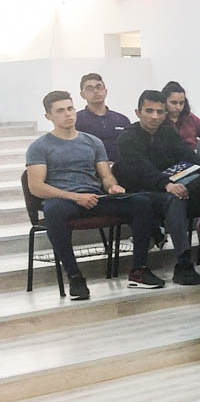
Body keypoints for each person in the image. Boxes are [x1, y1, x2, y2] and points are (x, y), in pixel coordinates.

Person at [26, 90, 160, 299]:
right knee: (53, 210)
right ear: (48, 116)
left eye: (70, 108)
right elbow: (36, 187)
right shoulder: (40, 147)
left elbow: (105, 176)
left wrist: (112, 187)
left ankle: (139, 270)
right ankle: (75, 276)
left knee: (142, 202)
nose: (68, 114)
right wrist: (74, 197)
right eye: (60, 111)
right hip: (64, 201)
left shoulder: (92, 141)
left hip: (95, 198)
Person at [116, 89, 200, 286]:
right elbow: (142, 169)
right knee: (175, 199)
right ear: (137, 112)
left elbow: (189, 156)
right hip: (141, 192)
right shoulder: (128, 137)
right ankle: (184, 262)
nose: (155, 116)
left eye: (160, 112)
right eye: (149, 111)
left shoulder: (168, 132)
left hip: (169, 186)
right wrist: (167, 184)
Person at [74, 73, 131, 164]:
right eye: (90, 89)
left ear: (105, 91)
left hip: (120, 171)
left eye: (99, 87)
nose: (96, 91)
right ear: (82, 94)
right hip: (89, 171)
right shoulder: (75, 120)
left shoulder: (122, 120)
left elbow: (129, 150)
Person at [160, 81, 200, 149]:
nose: (178, 107)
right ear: (164, 101)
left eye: (181, 103)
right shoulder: (158, 119)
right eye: (174, 103)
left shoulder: (191, 118)